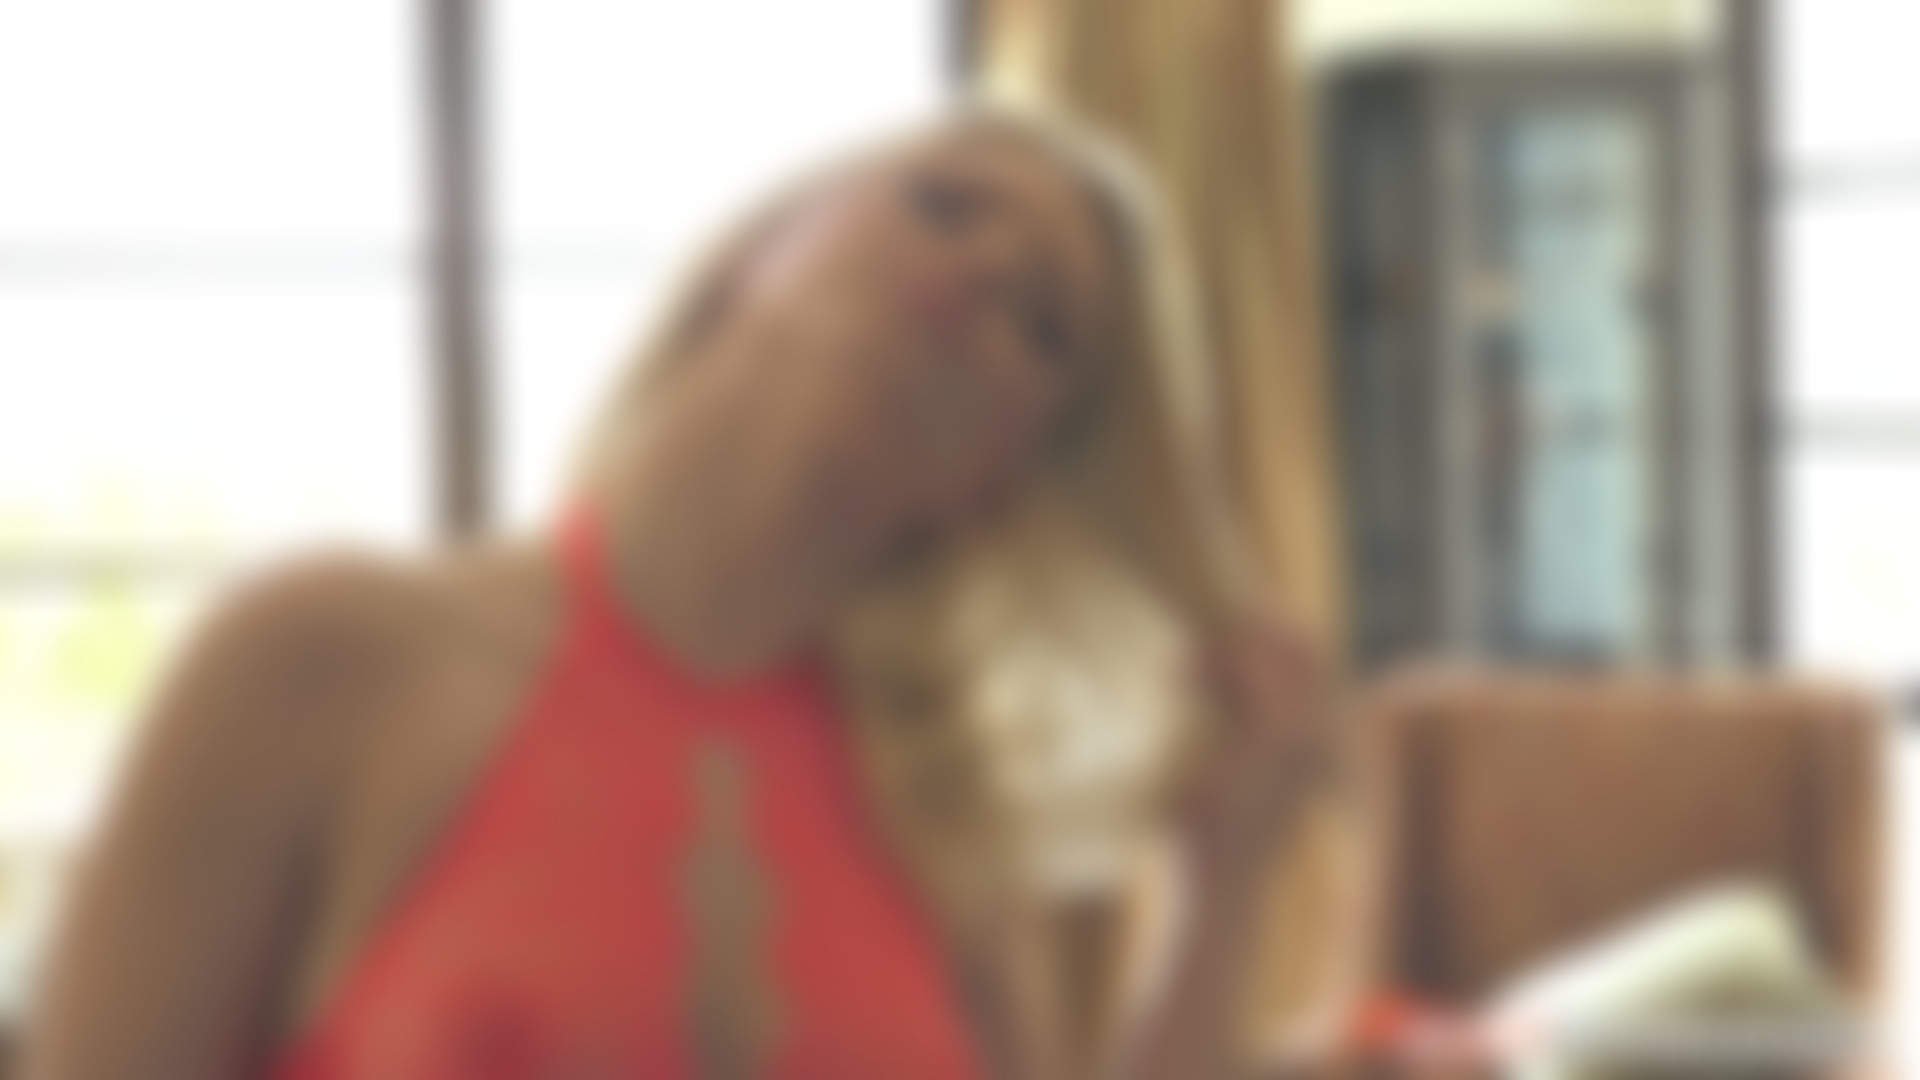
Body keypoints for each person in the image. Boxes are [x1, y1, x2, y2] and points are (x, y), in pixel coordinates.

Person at [22, 107, 1341, 1080]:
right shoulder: (315, 662)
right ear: (757, 251)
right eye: (945, 204)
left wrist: (1226, 877)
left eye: (1043, 325)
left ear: (995, 483)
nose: (986, 268)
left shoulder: (941, 827)